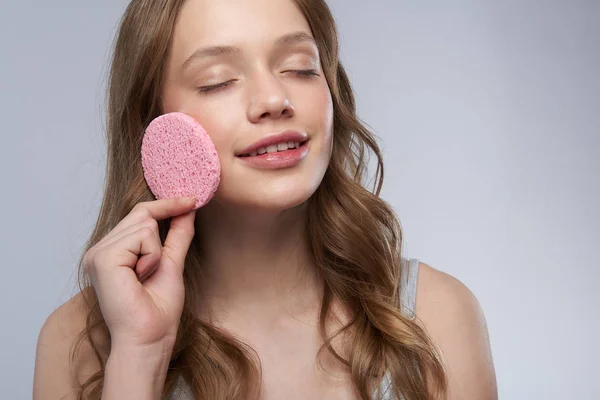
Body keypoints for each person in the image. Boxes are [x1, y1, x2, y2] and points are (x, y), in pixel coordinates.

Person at [33, 0, 497, 399]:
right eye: (217, 81)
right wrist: (139, 357)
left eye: (300, 67)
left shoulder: (437, 316)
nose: (274, 98)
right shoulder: (78, 343)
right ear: (154, 125)